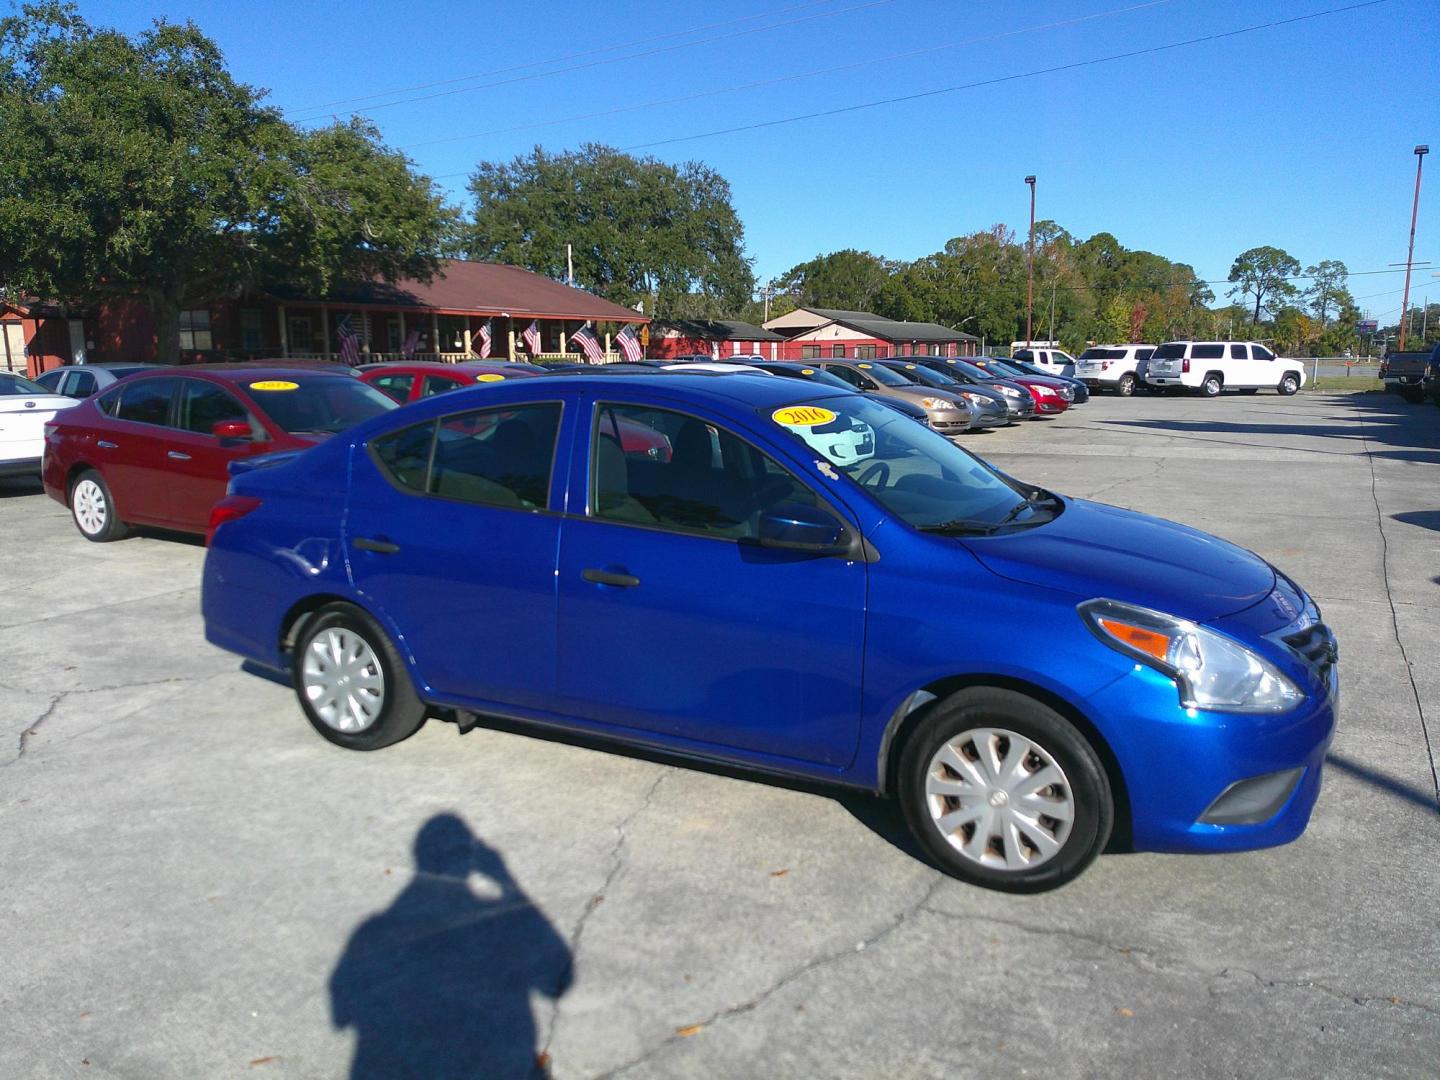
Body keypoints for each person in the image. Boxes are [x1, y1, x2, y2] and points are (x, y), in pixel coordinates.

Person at [330, 814, 572, 1079]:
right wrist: (506, 880)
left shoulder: (371, 932)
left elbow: (340, 1015)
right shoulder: (498, 924)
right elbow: (557, 980)